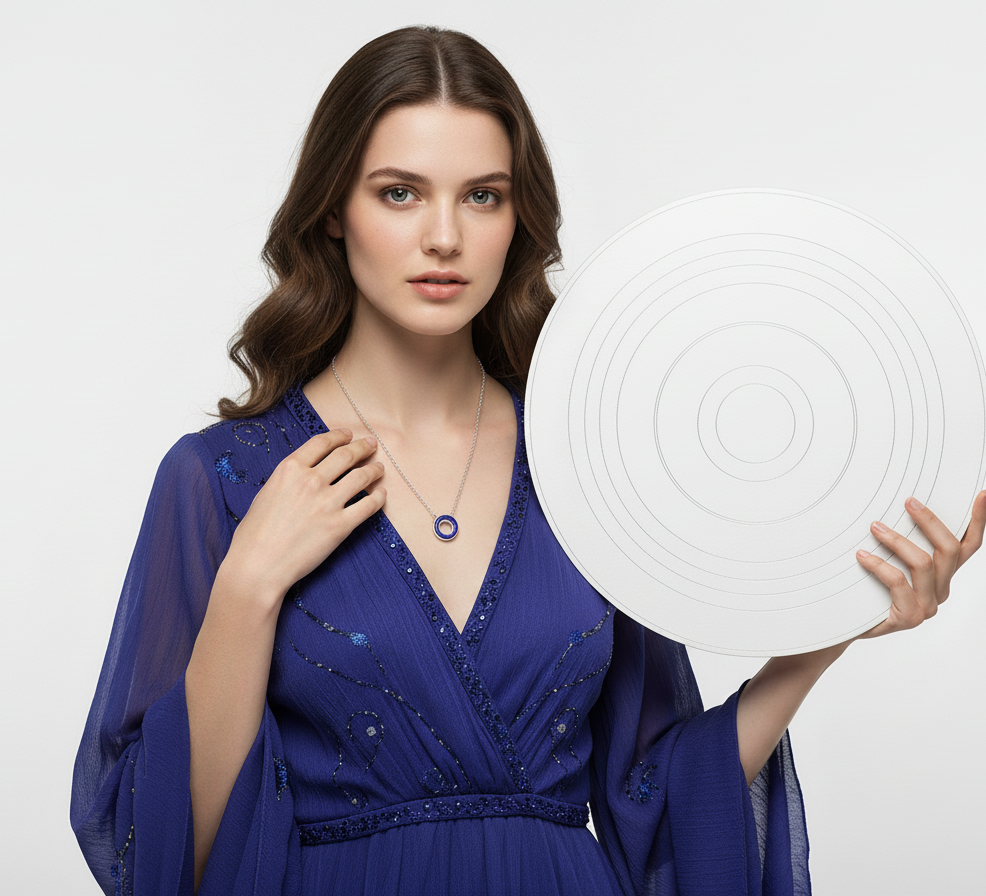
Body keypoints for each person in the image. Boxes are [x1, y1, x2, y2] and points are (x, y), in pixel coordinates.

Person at [70, 25, 985, 896]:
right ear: (332, 213)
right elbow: (170, 856)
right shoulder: (223, 478)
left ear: (518, 217)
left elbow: (656, 800)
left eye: (482, 195)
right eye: (398, 192)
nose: (444, 236)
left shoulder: (588, 464)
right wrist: (247, 589)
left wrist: (833, 623)